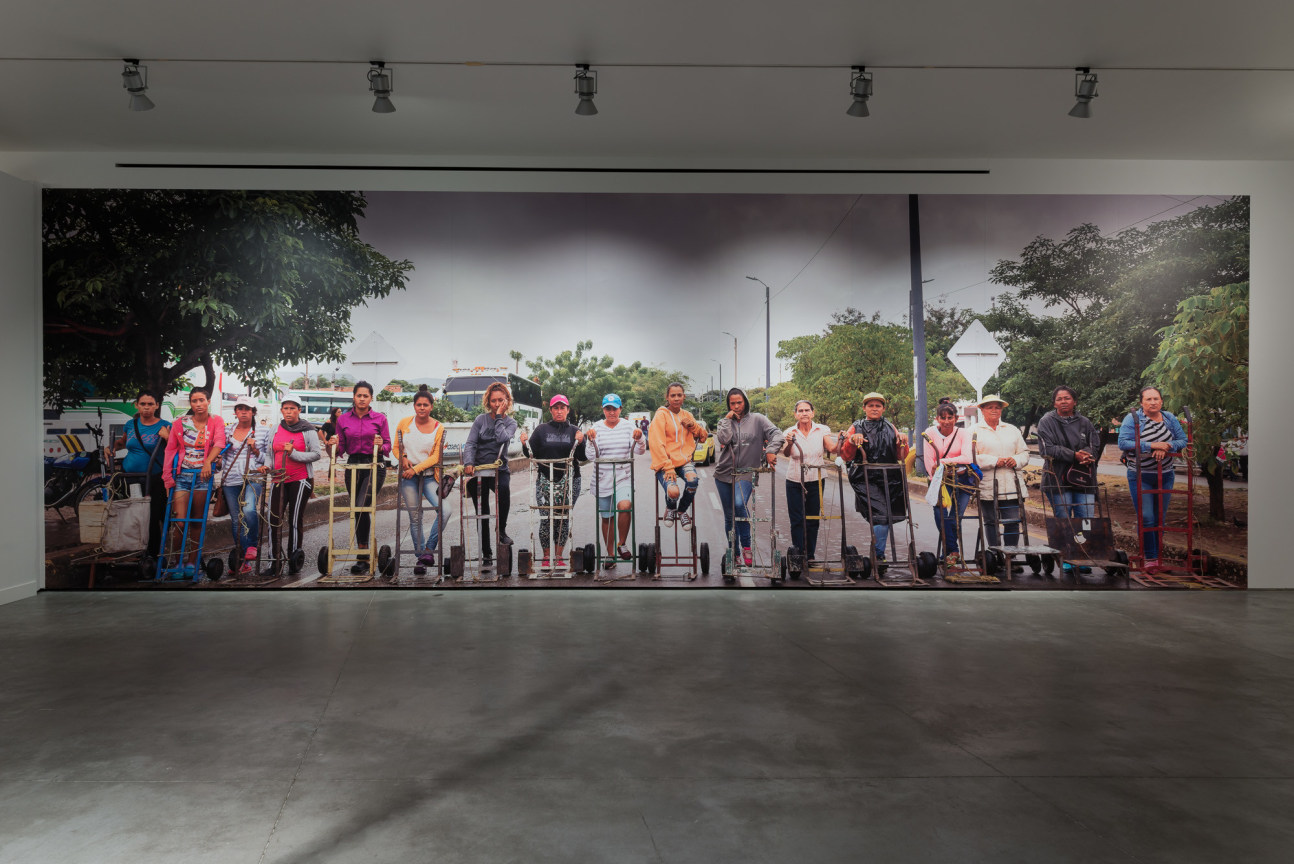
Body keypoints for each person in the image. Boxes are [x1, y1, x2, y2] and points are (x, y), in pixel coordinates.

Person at [712, 388, 782, 573]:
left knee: (739, 503)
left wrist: (770, 451)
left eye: (739, 402)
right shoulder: (723, 422)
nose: (736, 406)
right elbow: (724, 439)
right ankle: (733, 552)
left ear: (746, 402)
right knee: (729, 516)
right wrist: (727, 420)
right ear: (728, 404)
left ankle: (746, 546)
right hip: (724, 473)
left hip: (746, 472)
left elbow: (777, 434)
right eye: (732, 403)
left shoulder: (758, 419)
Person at [1118, 386, 1187, 572]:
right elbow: (1123, 443)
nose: (1153, 402)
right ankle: (1149, 557)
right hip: (1140, 475)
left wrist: (1166, 446)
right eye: (1148, 399)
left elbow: (1183, 440)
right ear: (1141, 402)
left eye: (1156, 399)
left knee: (1159, 519)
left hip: (1165, 475)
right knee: (1147, 517)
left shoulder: (1169, 418)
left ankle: (1157, 557)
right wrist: (1151, 445)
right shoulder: (1133, 419)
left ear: (1161, 401)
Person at [326, 381, 391, 575]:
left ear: (371, 398)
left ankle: (362, 557)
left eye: (366, 396)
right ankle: (362, 553)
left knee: (363, 504)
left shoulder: (380, 419)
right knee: (356, 507)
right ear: (353, 397)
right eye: (359, 395)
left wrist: (380, 444)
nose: (362, 399)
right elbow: (341, 449)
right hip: (353, 464)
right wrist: (333, 444)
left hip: (374, 465)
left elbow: (388, 447)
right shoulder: (343, 420)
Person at [160, 387, 225, 578]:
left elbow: (220, 442)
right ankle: (177, 562)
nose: (198, 404)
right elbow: (170, 451)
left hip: (203, 478)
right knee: (179, 522)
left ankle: (192, 561)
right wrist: (167, 479)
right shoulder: (180, 423)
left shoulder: (216, 421)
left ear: (208, 401)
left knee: (197, 522)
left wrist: (208, 462)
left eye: (201, 400)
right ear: (191, 403)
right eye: (194, 401)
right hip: (183, 477)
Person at [838, 392, 910, 565]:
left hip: (889, 476)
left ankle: (878, 553)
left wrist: (903, 441)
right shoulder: (856, 426)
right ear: (864, 408)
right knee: (881, 515)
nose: (874, 408)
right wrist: (852, 442)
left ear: (883, 408)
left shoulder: (890, 427)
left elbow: (902, 455)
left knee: (889, 515)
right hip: (865, 478)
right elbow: (846, 456)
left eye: (878, 405)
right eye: (871, 405)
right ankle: (878, 555)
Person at [520, 394, 587, 569]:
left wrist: (582, 442)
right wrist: (524, 443)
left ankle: (559, 556)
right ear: (550, 410)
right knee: (546, 517)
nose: (559, 411)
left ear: (567, 410)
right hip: (545, 480)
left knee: (563, 518)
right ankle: (546, 556)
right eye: (555, 408)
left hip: (570, 480)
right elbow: (530, 454)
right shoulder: (541, 430)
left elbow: (581, 457)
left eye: (562, 408)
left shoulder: (574, 431)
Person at [585, 393, 645, 569]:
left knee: (625, 506)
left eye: (614, 408)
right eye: (608, 409)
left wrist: (639, 436)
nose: (611, 412)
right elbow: (589, 456)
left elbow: (641, 450)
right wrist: (590, 441)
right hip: (602, 478)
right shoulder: (596, 427)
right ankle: (610, 554)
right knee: (607, 517)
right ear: (603, 409)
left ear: (620, 409)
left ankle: (622, 543)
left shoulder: (628, 426)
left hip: (623, 476)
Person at [392, 386, 447, 575]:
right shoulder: (404, 423)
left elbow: (435, 457)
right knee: (415, 517)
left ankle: (428, 550)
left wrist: (415, 468)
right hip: (408, 477)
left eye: (425, 405)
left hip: (430, 477)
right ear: (414, 406)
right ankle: (420, 559)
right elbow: (396, 448)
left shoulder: (439, 427)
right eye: (418, 405)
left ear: (431, 406)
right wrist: (404, 458)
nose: (422, 408)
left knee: (445, 510)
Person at [111, 389, 171, 560]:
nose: (146, 408)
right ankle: (135, 552)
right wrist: (113, 447)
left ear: (157, 406)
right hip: (129, 477)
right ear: (136, 405)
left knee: (151, 517)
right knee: (131, 515)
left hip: (153, 478)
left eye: (150, 404)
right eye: (142, 404)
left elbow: (175, 448)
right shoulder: (131, 424)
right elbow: (123, 442)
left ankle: (154, 555)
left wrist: (167, 437)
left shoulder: (165, 425)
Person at [462, 381, 518, 563]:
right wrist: (469, 462)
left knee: (504, 492)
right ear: (488, 401)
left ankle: (501, 531)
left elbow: (502, 439)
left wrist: (500, 416)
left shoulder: (511, 423)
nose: (496, 404)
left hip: (499, 469)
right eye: (493, 401)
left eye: (500, 400)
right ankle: (486, 551)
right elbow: (471, 443)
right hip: (478, 470)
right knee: (482, 510)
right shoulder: (480, 420)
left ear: (507, 401)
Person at [781, 400, 837, 566]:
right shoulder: (790, 432)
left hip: (816, 478)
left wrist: (843, 440)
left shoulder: (821, 430)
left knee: (813, 518)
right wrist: (790, 442)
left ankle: (810, 555)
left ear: (813, 413)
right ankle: (798, 554)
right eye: (800, 410)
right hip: (795, 479)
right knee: (797, 518)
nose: (804, 413)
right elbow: (786, 453)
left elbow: (832, 448)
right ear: (795, 414)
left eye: (807, 410)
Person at [270, 397, 322, 575]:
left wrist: (294, 453)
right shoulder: (275, 429)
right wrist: (267, 466)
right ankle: (273, 561)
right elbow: (270, 452)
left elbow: (316, 454)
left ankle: (294, 559)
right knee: (273, 520)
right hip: (278, 479)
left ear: (299, 410)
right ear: (281, 411)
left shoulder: (308, 430)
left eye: (292, 408)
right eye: (285, 408)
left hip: (300, 479)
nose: (289, 411)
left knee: (294, 519)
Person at [970, 394, 1030, 548]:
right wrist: (993, 461)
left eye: (997, 407)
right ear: (982, 410)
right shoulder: (974, 431)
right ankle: (994, 554)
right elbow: (971, 457)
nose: (994, 410)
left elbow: (1024, 453)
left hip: (1011, 483)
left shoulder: (1012, 429)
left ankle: (1011, 556)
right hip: (987, 483)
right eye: (989, 407)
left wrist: (1015, 460)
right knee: (991, 521)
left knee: (1012, 521)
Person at [221, 395, 272, 575]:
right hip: (231, 479)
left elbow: (267, 459)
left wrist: (256, 449)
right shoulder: (227, 431)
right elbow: (224, 456)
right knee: (236, 520)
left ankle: (252, 546)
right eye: (240, 409)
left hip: (253, 476)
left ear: (253, 412)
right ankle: (242, 561)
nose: (243, 412)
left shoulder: (263, 431)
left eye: (247, 409)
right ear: (235, 412)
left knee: (249, 510)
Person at [921, 402, 976, 566]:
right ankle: (953, 551)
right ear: (937, 418)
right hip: (939, 480)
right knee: (941, 515)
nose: (946, 421)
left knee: (955, 519)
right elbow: (929, 462)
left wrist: (943, 462)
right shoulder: (929, 433)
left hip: (962, 479)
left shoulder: (964, 433)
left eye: (950, 417)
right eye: (942, 418)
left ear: (956, 418)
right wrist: (939, 472)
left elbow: (967, 458)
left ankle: (948, 552)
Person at [1036, 385, 1102, 519]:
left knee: (1086, 519)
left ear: (1075, 401)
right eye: (1059, 399)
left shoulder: (1085, 422)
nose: (1063, 401)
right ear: (1054, 403)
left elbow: (1094, 445)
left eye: (1067, 398)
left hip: (1084, 477)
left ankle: (1083, 541)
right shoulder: (1046, 422)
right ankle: (1065, 541)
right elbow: (1046, 449)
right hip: (1057, 478)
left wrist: (1086, 455)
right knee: (1064, 521)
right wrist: (1074, 455)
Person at [648, 382, 706, 530]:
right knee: (674, 491)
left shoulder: (687, 415)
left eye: (679, 395)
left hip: (684, 461)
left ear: (684, 397)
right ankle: (670, 507)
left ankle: (681, 511)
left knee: (693, 481)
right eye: (672, 395)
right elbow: (656, 443)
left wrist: (692, 426)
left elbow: (703, 436)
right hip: (665, 463)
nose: (676, 398)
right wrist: (668, 467)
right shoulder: (661, 415)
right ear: (667, 397)